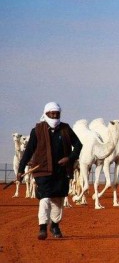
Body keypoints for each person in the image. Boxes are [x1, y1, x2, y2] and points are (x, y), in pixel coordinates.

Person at [17, 102, 83, 240]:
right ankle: (42, 228)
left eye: (57, 114)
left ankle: (54, 225)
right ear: (46, 114)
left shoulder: (65, 129)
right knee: (45, 198)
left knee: (58, 200)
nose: (54, 116)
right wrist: (21, 169)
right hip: (43, 171)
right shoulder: (37, 130)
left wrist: (69, 158)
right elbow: (29, 151)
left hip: (61, 172)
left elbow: (78, 145)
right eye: (52, 114)